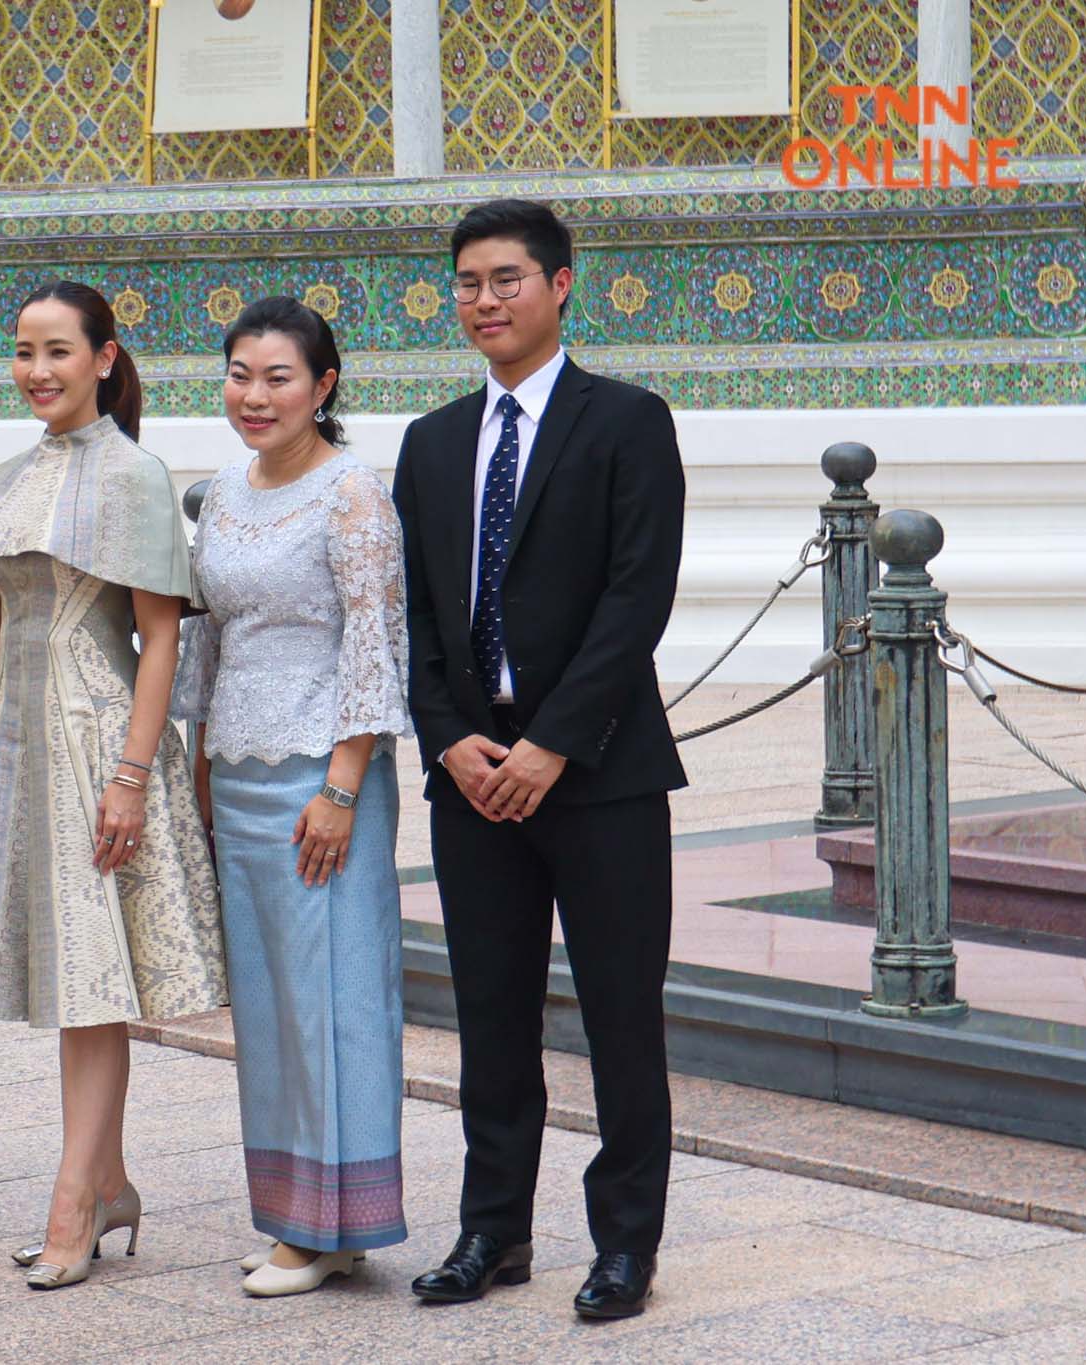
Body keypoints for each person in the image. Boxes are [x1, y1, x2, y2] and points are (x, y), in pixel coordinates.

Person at [392, 198, 686, 1320]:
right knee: (490, 1015)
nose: (483, 301)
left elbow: (634, 599)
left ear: (560, 285)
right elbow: (411, 613)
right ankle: (490, 1233)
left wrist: (552, 744)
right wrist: (446, 737)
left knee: (621, 1014)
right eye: (467, 282)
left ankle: (622, 1246)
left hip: (600, 775)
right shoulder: (428, 442)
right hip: (470, 780)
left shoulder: (625, 421)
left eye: (505, 279)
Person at [0, 282, 225, 1291]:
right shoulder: (11, 476)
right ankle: (106, 1183)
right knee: (69, 985)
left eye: (57, 351)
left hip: (96, 740)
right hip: (17, 748)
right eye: (22, 351)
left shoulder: (135, 474)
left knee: (95, 988)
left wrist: (132, 777)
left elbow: (158, 642)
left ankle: (73, 1202)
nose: (37, 371)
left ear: (103, 358)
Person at [174, 296, 411, 1297]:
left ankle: (333, 1223)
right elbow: (206, 641)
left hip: (322, 781)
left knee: (335, 1001)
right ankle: (293, 1216)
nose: (254, 395)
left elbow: (373, 640)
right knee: (269, 1007)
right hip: (237, 771)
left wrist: (342, 789)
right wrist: (194, 771)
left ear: (323, 387)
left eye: (277, 378)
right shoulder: (222, 494)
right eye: (238, 374)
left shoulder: (352, 492)